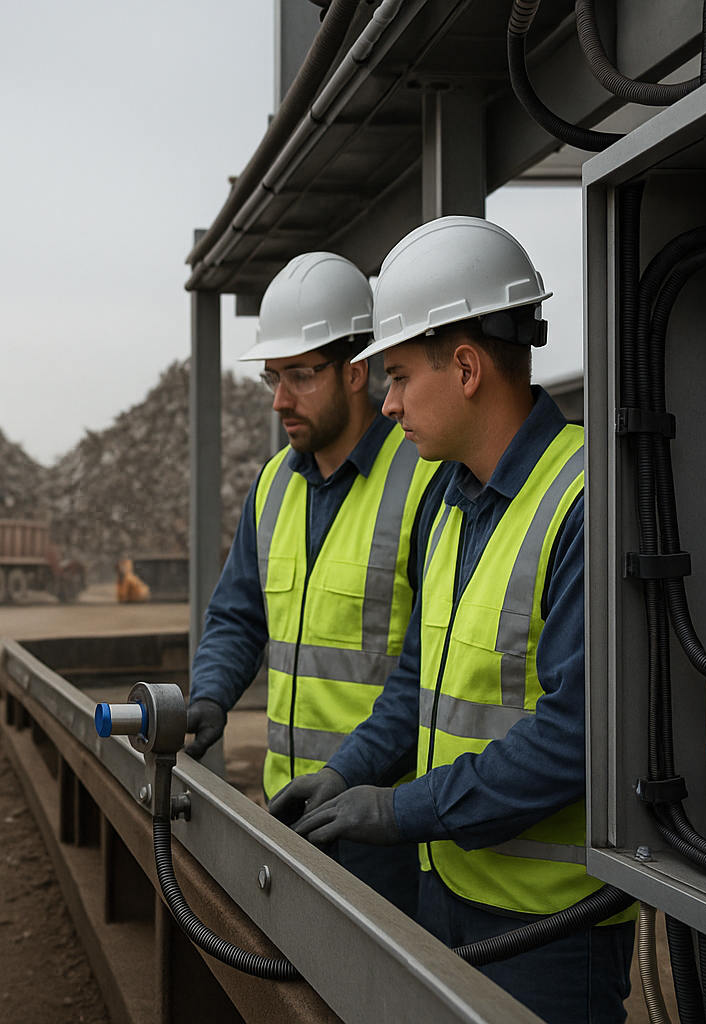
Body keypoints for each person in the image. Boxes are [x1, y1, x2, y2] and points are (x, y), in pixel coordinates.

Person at [269, 217, 633, 1024]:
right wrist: (350, 770)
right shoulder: (447, 501)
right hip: (449, 892)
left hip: (552, 930)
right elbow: (414, 684)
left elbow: (576, 737)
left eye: (397, 376)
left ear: (465, 366)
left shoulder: (583, 502)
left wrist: (401, 810)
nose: (388, 403)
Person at [184, 251, 448, 917]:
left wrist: (358, 781)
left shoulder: (425, 480)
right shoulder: (274, 484)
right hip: (291, 807)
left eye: (301, 376)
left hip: (383, 824)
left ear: (356, 371)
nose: (279, 400)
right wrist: (210, 695)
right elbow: (239, 616)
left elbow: (428, 671)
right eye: (274, 377)